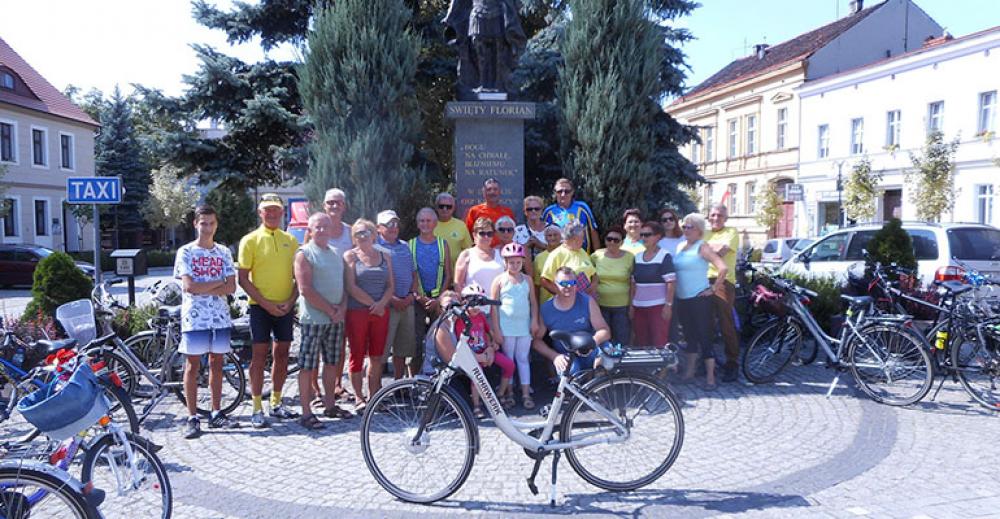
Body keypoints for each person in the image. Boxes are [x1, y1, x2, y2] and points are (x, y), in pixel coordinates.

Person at [174, 205, 238, 439]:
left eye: (211, 223)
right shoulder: (186, 252)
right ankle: (192, 416)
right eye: (203, 223)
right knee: (192, 366)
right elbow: (189, 286)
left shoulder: (223, 252)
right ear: (195, 224)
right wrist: (216, 284)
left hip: (219, 316)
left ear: (216, 224)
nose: (207, 227)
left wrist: (207, 285)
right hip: (195, 317)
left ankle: (216, 412)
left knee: (217, 364)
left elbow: (231, 286)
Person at [238, 193, 300, 429]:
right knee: (259, 356)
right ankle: (256, 407)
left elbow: (299, 277)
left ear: (282, 212)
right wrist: (266, 304)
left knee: (283, 353)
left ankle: (276, 401)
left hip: (285, 306)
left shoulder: (291, 241)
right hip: (259, 308)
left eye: (276, 209)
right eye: (267, 210)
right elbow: (243, 279)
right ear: (260, 212)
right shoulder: (250, 240)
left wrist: (291, 301)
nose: (272, 213)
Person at [294, 213, 352, 429]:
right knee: (308, 366)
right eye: (318, 227)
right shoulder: (304, 254)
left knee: (332, 363)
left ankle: (330, 404)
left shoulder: (337, 253)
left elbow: (344, 285)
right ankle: (306, 412)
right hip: (314, 319)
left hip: (335, 319)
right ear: (310, 229)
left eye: (326, 227)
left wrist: (342, 308)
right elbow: (305, 289)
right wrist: (330, 310)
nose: (322, 230)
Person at [344, 219, 395, 412]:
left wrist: (381, 303)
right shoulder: (350, 256)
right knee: (356, 354)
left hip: (381, 311)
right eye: (358, 233)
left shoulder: (385, 256)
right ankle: (359, 397)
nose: (362, 237)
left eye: (366, 233)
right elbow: (351, 286)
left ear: (374, 235)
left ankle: (374, 396)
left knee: (377, 355)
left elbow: (391, 285)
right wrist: (373, 304)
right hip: (358, 311)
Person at [674, 213, 729, 389]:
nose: (685, 230)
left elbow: (723, 267)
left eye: (689, 227)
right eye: (684, 226)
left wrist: (712, 289)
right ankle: (689, 372)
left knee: (705, 337)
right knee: (690, 337)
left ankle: (711, 378)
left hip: (699, 299)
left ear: (699, 230)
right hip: (683, 299)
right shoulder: (680, 246)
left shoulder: (702, 246)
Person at [532, 267, 611, 375]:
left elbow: (605, 330)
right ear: (555, 285)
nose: (568, 286)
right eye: (563, 283)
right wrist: (554, 357)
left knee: (604, 362)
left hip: (591, 348)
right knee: (570, 372)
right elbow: (536, 341)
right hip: (566, 353)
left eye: (572, 282)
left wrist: (590, 343)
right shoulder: (546, 309)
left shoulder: (587, 301)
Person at [490, 243, 540, 409]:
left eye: (518, 262)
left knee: (523, 359)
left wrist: (534, 321)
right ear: (505, 262)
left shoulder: (527, 280)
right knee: (509, 360)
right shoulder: (499, 280)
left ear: (523, 262)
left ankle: (525, 393)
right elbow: (494, 307)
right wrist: (496, 329)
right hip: (507, 328)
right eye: (511, 262)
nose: (515, 265)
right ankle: (509, 391)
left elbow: (533, 302)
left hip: (524, 327)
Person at [455, 283, 515, 419]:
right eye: (472, 303)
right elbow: (461, 343)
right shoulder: (461, 320)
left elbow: (488, 332)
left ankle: (500, 393)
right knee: (477, 375)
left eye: (479, 303)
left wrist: (491, 346)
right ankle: (476, 405)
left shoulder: (481, 316)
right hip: (472, 355)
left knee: (509, 365)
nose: (476, 308)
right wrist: (478, 356)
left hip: (486, 351)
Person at [375, 210, 420, 380]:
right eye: (388, 224)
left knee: (402, 349)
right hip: (386, 306)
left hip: (406, 304)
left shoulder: (405, 246)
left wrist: (411, 295)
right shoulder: (374, 248)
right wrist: (391, 299)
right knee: (381, 351)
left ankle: (398, 386)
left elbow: (413, 274)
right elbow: (375, 279)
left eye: (395, 224)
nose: (393, 228)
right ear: (379, 228)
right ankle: (377, 391)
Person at [319, 188, 353, 404]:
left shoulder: (350, 232)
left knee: (340, 344)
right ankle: (316, 389)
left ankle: (337, 384)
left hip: (344, 295)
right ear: (324, 206)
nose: (333, 206)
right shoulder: (316, 229)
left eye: (337, 203)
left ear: (344, 206)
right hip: (319, 296)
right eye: (330, 202)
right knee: (317, 345)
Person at [410, 207, 452, 376]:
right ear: (417, 223)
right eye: (422, 221)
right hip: (417, 300)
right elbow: (409, 274)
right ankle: (414, 379)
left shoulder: (443, 244)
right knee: (415, 343)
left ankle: (438, 381)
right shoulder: (410, 244)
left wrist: (439, 299)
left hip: (438, 301)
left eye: (428, 221)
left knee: (438, 341)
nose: (425, 224)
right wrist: (419, 297)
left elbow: (448, 274)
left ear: (435, 223)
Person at [706, 204, 741, 382]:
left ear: (725, 218)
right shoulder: (704, 233)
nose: (715, 218)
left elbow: (721, 251)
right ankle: (706, 362)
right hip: (702, 281)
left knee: (726, 324)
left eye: (719, 215)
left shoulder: (732, 232)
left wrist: (706, 249)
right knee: (706, 325)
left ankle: (732, 363)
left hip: (723, 282)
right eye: (712, 215)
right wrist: (710, 248)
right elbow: (697, 252)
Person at [629, 221, 676, 349]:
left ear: (658, 236)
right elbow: (633, 283)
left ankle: (662, 369)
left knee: (659, 341)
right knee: (641, 341)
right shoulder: (637, 257)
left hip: (658, 308)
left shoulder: (664, 256)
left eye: (647, 235)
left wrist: (668, 306)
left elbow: (671, 283)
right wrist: (631, 305)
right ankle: (644, 369)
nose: (644, 238)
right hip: (639, 308)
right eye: (642, 235)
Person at [592, 226, 634, 347]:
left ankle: (621, 365)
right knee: (604, 341)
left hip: (622, 306)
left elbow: (633, 283)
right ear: (604, 240)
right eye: (609, 239)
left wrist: (632, 305)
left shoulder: (630, 257)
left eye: (616, 240)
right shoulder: (596, 256)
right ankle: (605, 365)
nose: (612, 242)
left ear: (622, 242)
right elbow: (590, 276)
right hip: (600, 305)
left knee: (622, 339)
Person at [540, 221, 599, 299]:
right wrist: (563, 294)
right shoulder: (557, 254)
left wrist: (593, 287)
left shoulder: (582, 251)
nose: (583, 241)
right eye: (582, 238)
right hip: (567, 302)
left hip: (586, 299)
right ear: (573, 239)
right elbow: (544, 281)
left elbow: (594, 274)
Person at [542, 178, 600, 253]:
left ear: (572, 192)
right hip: (559, 256)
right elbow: (543, 235)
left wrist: (597, 256)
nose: (563, 194)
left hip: (582, 255)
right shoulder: (549, 211)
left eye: (567, 191)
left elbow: (593, 231)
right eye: (559, 191)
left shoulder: (582, 207)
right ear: (555, 193)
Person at [454, 217, 505, 296]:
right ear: (474, 235)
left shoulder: (501, 254)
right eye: (482, 233)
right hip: (474, 306)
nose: (486, 237)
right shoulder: (466, 255)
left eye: (489, 234)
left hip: (498, 304)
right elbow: (458, 284)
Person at [464, 178, 515, 247]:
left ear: (499, 192)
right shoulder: (474, 211)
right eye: (489, 189)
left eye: (495, 189)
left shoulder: (508, 212)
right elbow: (468, 234)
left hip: (503, 252)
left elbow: (512, 233)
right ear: (484, 192)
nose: (492, 192)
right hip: (482, 251)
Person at [433, 192, 472, 271]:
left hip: (455, 274)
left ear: (454, 208)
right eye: (441, 206)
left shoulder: (461, 225)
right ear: (436, 207)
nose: (445, 209)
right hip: (433, 274)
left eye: (449, 207)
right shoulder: (429, 224)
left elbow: (468, 251)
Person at [534, 225, 562, 305]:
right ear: (545, 238)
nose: (552, 238)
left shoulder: (567, 253)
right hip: (546, 303)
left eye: (555, 235)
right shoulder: (538, 258)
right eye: (549, 235)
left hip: (566, 301)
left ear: (561, 237)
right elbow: (537, 285)